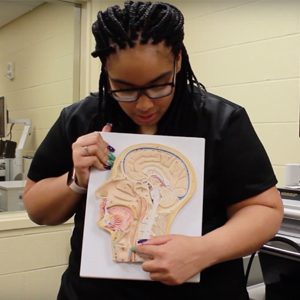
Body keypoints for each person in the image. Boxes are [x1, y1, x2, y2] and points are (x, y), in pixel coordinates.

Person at [23, 1, 283, 299]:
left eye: (159, 85)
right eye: (124, 88)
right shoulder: (81, 118)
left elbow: (265, 210)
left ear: (178, 61)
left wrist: (204, 250)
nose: (144, 104)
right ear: (106, 71)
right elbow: (37, 209)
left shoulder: (221, 121)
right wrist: (78, 180)